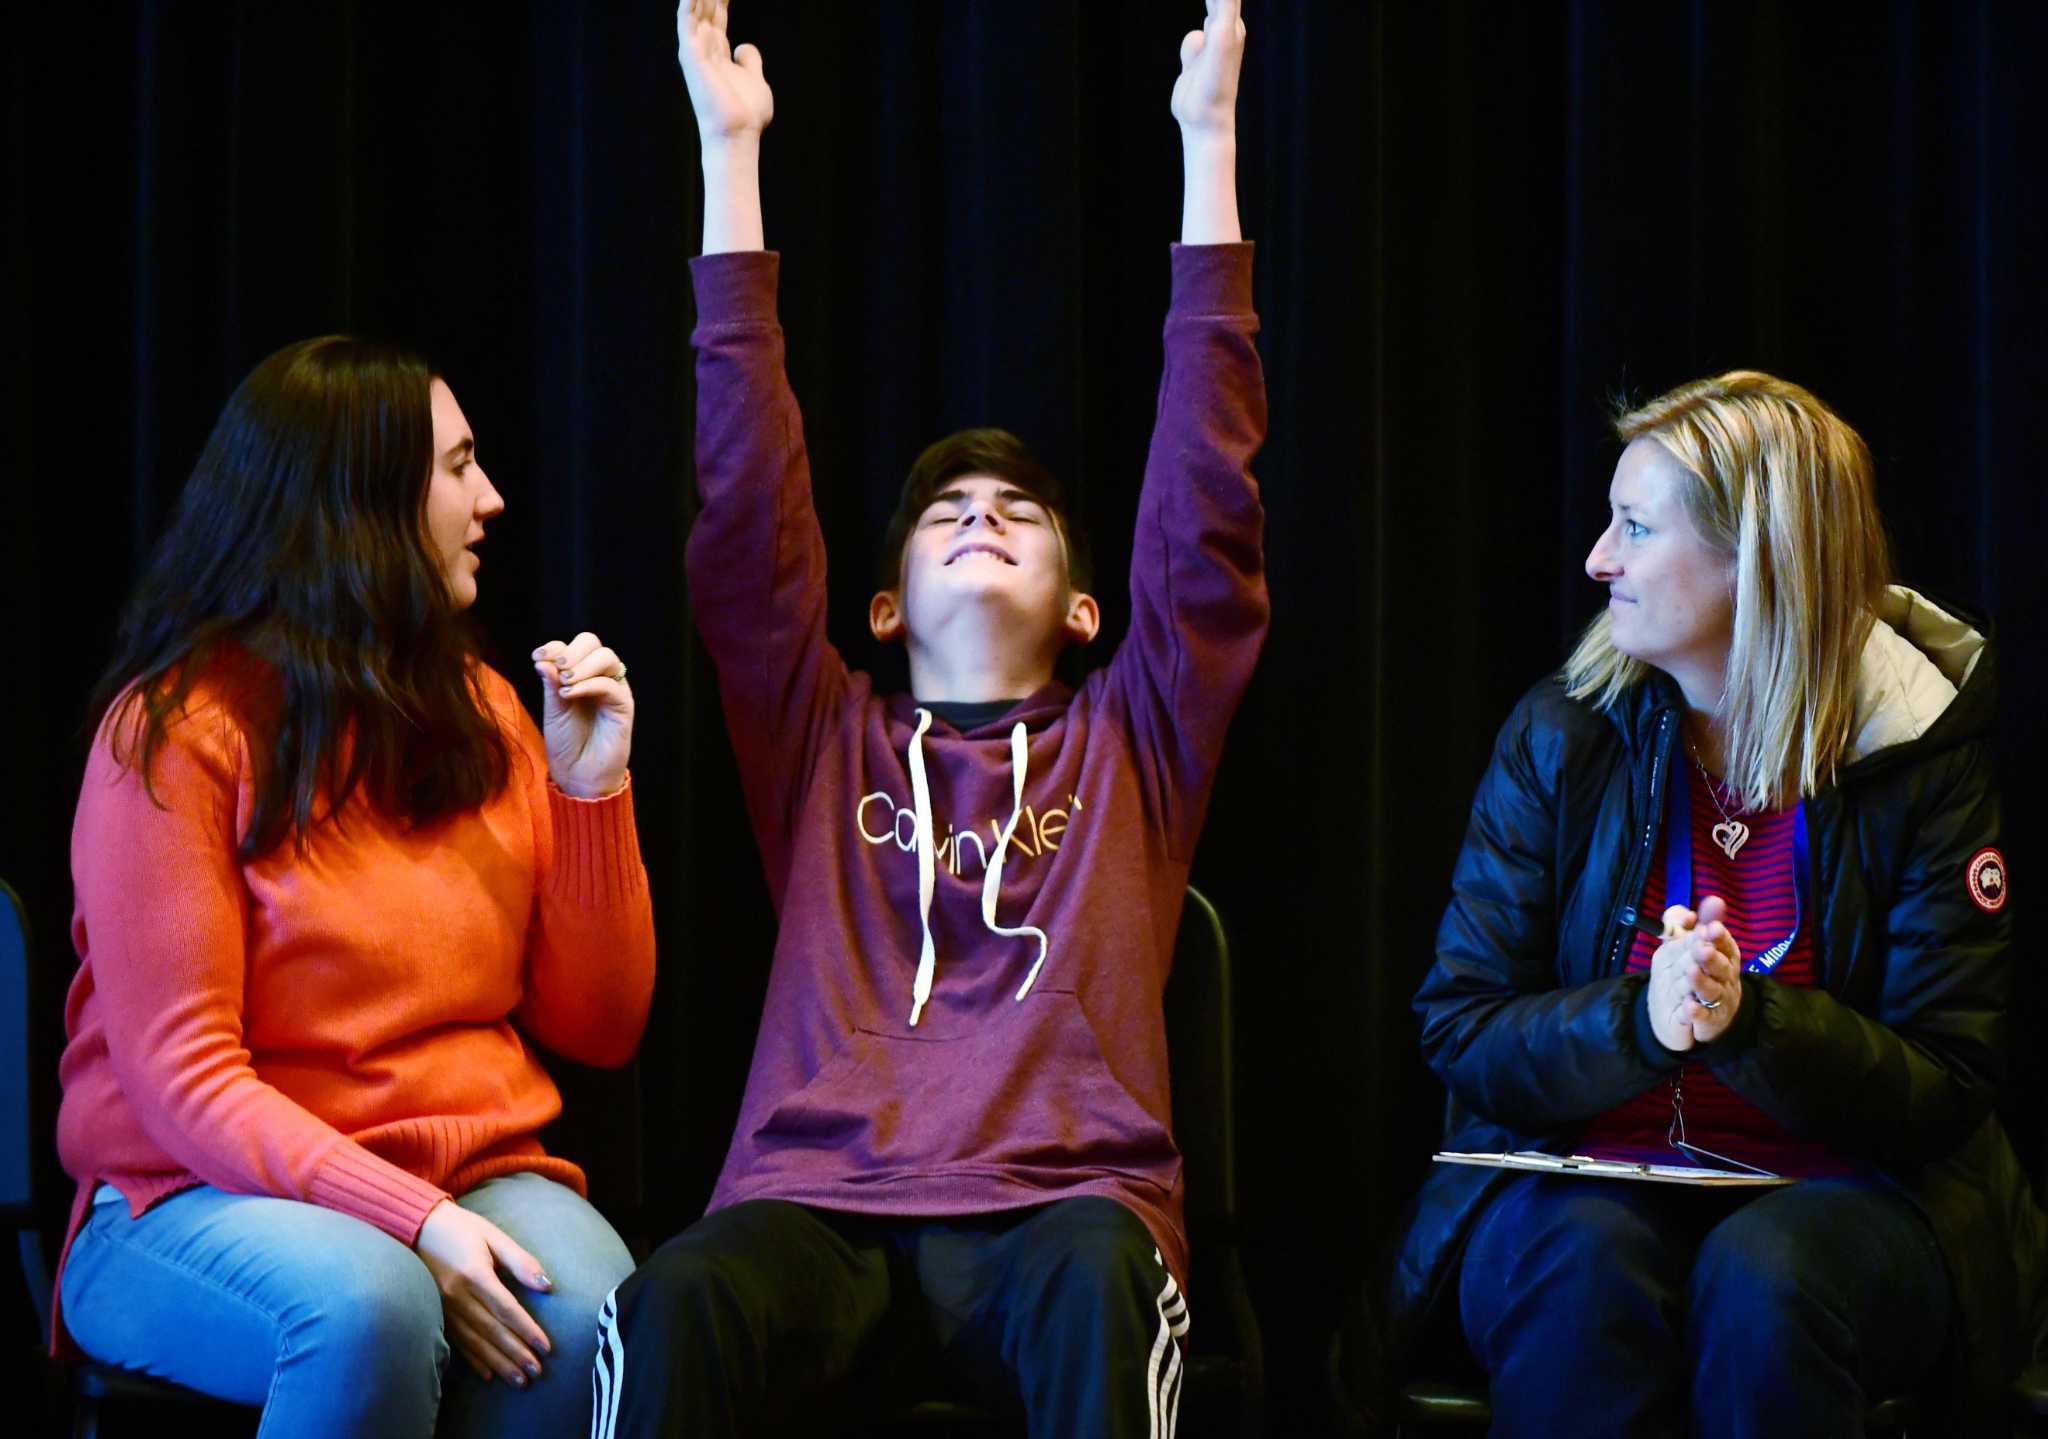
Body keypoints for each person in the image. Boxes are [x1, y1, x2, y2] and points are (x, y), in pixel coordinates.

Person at [588, 2, 1264, 1435]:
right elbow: (746, 519)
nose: (979, 519)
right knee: (674, 1298)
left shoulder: (1136, 735)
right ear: (883, 601)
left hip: (1059, 1207)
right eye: (947, 511)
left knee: (1101, 1278)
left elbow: (1204, 506)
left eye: (1017, 513)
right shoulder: (820, 732)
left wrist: (1208, 146)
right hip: (813, 1198)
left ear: (1085, 606)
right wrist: (730, 157)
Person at [1387, 371, 2042, 1434]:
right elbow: (1460, 1025)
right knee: (1579, 1266)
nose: (1596, 558)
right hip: (1583, 1182)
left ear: (1757, 557)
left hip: (1858, 1195)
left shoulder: (1918, 752)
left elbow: (1947, 1079)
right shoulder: (1562, 732)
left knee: (1764, 1281)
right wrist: (1635, 1021)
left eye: (1633, 527)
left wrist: (1752, 1024)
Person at [52, 336, 657, 1439]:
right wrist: (412, 1221)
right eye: (459, 465)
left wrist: (589, 790)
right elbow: (184, 1080)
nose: (491, 497)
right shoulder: (175, 731)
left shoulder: (479, 709)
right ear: (361, 503)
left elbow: (600, 1025)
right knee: (370, 1308)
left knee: (597, 1320)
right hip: (183, 1195)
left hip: (465, 1166)